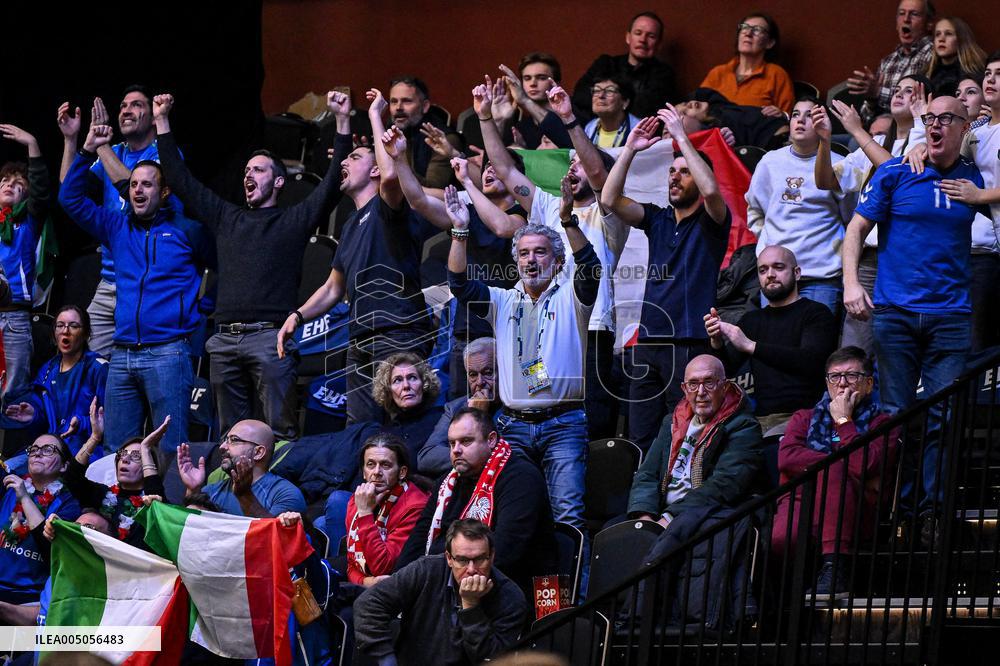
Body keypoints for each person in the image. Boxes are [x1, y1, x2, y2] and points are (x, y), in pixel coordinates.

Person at [153, 91, 351, 442]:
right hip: (224, 339)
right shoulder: (227, 217)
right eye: (246, 170)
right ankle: (229, 498)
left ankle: (279, 496)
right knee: (232, 439)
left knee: (280, 433)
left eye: (258, 170)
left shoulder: (293, 220)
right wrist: (162, 121)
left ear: (278, 181)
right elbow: (180, 180)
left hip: (269, 338)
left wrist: (342, 121)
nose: (249, 175)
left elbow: (333, 185)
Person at [842, 95, 986, 545]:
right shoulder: (897, 170)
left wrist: (983, 195)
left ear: (965, 129)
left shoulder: (975, 177)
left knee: (944, 417)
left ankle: (931, 515)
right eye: (930, 119)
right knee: (895, 417)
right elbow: (855, 230)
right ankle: (898, 513)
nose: (936, 125)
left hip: (950, 317)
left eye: (947, 119)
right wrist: (850, 283)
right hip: (896, 314)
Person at [478, 82, 629, 441]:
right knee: (538, 407)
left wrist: (567, 119)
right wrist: (485, 117)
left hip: (589, 331)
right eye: (570, 163)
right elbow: (504, 167)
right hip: (539, 329)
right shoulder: (544, 206)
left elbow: (596, 172)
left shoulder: (610, 215)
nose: (573, 169)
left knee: (590, 422)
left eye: (581, 164)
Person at [278, 89, 436, 425]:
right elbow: (334, 287)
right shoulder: (350, 224)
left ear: (375, 170)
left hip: (399, 331)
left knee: (403, 425)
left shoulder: (388, 205)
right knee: (359, 430)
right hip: (361, 337)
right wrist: (298, 315)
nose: (343, 162)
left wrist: (376, 115)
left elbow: (392, 173)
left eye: (353, 158)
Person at [59, 125, 211, 455]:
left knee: (172, 449)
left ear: (165, 191)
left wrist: (202, 309)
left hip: (169, 352)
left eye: (146, 184)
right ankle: (118, 508)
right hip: (123, 352)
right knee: (118, 449)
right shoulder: (116, 227)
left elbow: (221, 269)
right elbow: (68, 198)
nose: (137, 190)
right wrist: (85, 151)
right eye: (132, 185)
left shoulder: (188, 231)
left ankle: (166, 506)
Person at [601, 107, 730, 452]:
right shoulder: (657, 218)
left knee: (684, 434)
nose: (675, 177)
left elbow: (714, 192)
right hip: (646, 343)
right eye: (672, 171)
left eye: (685, 172)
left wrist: (681, 138)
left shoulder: (711, 222)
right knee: (640, 438)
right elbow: (609, 198)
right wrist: (629, 148)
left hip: (688, 343)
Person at [812, 74, 929, 354]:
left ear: (926, 101)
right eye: (898, 89)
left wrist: (856, 130)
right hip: (869, 257)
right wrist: (825, 141)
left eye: (910, 91)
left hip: (907, 257)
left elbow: (898, 175)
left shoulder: (927, 141)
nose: (900, 94)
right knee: (855, 341)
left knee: (897, 342)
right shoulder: (877, 140)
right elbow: (825, 180)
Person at [771, 347, 899, 599]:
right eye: (835, 377)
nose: (842, 384)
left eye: (852, 376)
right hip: (802, 499)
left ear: (869, 384)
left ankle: (834, 568)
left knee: (836, 470)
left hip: (854, 505)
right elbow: (787, 458)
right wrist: (841, 460)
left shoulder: (882, 423)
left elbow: (866, 465)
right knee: (781, 539)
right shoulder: (804, 417)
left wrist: (844, 422)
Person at [396, 408, 557, 595]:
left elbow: (505, 551)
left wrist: (430, 580)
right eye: (451, 443)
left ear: (491, 440)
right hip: (451, 582)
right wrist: (398, 581)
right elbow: (420, 535)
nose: (456, 450)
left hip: (511, 589)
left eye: (466, 441)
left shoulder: (521, 478)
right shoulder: (446, 483)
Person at [56, 87, 165, 358]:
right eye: (123, 105)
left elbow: (134, 190)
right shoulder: (115, 150)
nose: (126, 110)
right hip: (108, 280)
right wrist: (72, 141)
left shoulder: (163, 154)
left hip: (145, 280)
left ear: (153, 118)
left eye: (136, 105)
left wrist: (101, 145)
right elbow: (69, 189)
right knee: (87, 360)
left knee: (136, 362)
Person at [355, 519, 527, 666]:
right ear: (449, 558)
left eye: (480, 559)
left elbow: (491, 660)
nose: (472, 569)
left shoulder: (511, 598)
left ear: (492, 556)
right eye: (462, 560)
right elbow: (368, 605)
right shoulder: (427, 571)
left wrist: (471, 607)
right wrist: (387, 659)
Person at [705, 246, 838, 434]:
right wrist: (716, 342)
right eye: (763, 269)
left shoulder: (816, 313)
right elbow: (726, 371)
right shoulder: (752, 320)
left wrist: (751, 346)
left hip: (805, 416)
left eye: (778, 267)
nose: (770, 274)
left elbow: (811, 361)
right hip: (759, 419)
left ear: (797, 273)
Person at [746, 97, 857, 318]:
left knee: (815, 349)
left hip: (821, 275)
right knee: (772, 344)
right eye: (796, 114)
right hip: (775, 274)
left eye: (810, 115)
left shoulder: (840, 163)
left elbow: (850, 217)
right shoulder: (769, 162)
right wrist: (768, 239)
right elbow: (755, 209)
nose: (801, 120)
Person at [626, 355, 763, 526]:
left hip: (702, 515)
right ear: (684, 388)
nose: (700, 392)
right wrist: (644, 515)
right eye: (693, 384)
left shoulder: (743, 426)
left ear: (725, 386)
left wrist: (669, 518)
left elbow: (725, 485)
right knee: (614, 532)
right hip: (660, 511)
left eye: (709, 382)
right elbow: (647, 474)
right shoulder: (672, 422)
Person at [2, 305, 108, 460]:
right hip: (49, 449)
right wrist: (33, 415)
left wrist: (82, 423)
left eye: (73, 326)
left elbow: (111, 419)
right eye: (60, 326)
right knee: (7, 470)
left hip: (85, 451)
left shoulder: (99, 368)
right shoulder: (48, 369)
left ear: (85, 334)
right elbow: (45, 421)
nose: (65, 331)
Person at [64, 407, 166, 543]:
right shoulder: (101, 494)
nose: (125, 459)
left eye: (136, 456)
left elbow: (156, 500)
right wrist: (94, 438)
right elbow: (72, 476)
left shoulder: (152, 502)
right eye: (122, 454)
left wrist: (146, 449)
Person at [0, 434, 81, 604]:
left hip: (29, 597)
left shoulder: (69, 504)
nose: (37, 454)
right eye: (34, 449)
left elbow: (51, 550)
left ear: (64, 465)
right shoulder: (9, 487)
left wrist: (24, 498)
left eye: (48, 450)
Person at [343, 433, 428, 587]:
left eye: (385, 465)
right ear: (363, 472)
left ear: (402, 472)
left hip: (398, 587)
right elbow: (351, 563)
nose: (376, 472)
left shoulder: (415, 506)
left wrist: (365, 513)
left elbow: (383, 567)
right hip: (365, 583)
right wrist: (365, 582)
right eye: (370, 464)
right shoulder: (358, 500)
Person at [176, 418, 307, 518]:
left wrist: (244, 495)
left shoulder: (285, 494)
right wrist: (192, 490)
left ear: (258, 452)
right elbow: (188, 533)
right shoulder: (211, 490)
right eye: (225, 440)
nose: (222, 447)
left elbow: (273, 539)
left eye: (233, 440)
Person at [0, 125, 47, 398]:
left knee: (14, 392)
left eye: (19, 185)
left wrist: (32, 143)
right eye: (5, 181)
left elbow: (41, 192)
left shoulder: (27, 223)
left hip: (14, 316)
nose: (10, 185)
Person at [419, 337, 501, 477]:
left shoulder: (515, 407)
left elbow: (513, 452)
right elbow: (427, 457)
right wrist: (475, 414)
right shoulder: (454, 407)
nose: (480, 382)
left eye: (488, 372)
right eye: (473, 375)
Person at [572, 11, 678, 119]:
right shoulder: (605, 64)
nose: (643, 40)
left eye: (651, 36)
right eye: (638, 33)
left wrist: (607, 105)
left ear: (658, 44)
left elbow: (649, 111)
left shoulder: (664, 75)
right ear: (628, 37)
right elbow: (580, 96)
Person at [846, 0, 934, 113]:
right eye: (902, 13)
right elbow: (867, 116)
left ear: (929, 24)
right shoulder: (888, 62)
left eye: (914, 14)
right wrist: (872, 98)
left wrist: (879, 92)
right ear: (897, 24)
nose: (906, 19)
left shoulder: (933, 55)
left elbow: (926, 104)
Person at [700, 13, 795, 117]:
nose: (748, 33)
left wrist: (781, 114)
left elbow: (789, 118)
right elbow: (694, 108)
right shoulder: (718, 73)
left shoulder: (777, 74)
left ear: (770, 43)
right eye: (744, 27)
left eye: (757, 29)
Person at [370, 351, 445, 465]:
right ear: (388, 391)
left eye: (412, 378)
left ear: (424, 383)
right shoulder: (384, 434)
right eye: (398, 380)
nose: (406, 386)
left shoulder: (443, 418)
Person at [387, 76, 462, 188]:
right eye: (393, 101)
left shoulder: (445, 140)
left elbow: (433, 188)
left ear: (425, 106)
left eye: (406, 101)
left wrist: (397, 162)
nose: (398, 107)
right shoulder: (389, 133)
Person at [924, 16, 986, 96]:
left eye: (948, 34)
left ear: (961, 39)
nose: (941, 39)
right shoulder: (927, 72)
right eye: (937, 34)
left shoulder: (973, 73)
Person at [583, 74, 641, 148]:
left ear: (625, 102)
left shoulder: (639, 129)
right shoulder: (589, 128)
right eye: (596, 90)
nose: (601, 95)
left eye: (609, 91)